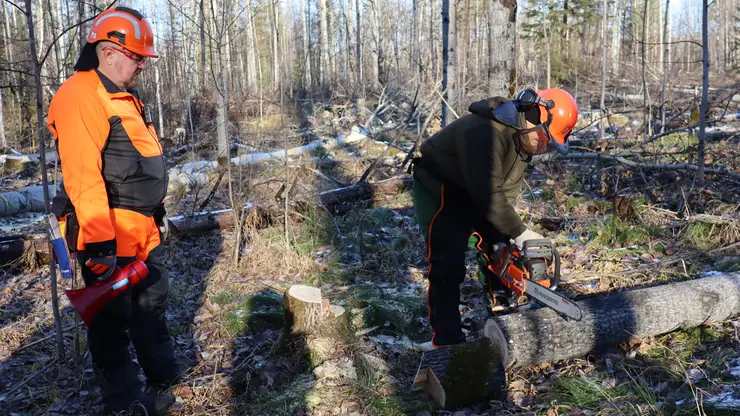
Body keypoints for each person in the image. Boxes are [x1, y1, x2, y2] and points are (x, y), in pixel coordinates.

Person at [47, 7, 179, 415]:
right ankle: (124, 403)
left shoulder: (122, 95)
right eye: (137, 57)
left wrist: (154, 210)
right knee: (111, 321)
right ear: (108, 51)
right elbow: (84, 174)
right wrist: (100, 242)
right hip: (107, 229)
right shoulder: (80, 95)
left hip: (140, 227)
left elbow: (133, 159)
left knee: (152, 303)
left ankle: (165, 378)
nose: (142, 65)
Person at [412, 88, 579, 347]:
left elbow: (504, 193)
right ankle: (446, 342)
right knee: (448, 263)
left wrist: (505, 239)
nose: (545, 146)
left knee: (499, 249)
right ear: (535, 115)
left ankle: (500, 313)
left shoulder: (523, 141)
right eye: (546, 138)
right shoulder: (484, 133)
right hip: (442, 186)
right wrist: (520, 232)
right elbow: (488, 193)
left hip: (477, 190)